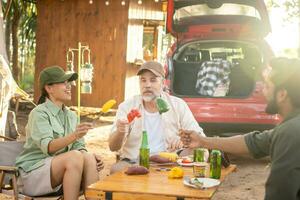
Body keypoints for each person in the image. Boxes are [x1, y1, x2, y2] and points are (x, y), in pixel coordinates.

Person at [180, 57, 300, 200]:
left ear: (282, 95)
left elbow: (280, 194)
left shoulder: (290, 132)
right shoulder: (290, 127)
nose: (262, 90)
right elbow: (252, 143)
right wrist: (202, 141)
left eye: (267, 86)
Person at [15, 66, 104, 199]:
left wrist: (88, 156)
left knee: (88, 157)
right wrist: (74, 135)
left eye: (68, 83)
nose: (68, 86)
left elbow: (78, 147)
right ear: (49, 88)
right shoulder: (39, 113)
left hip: (60, 174)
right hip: (33, 175)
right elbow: (49, 147)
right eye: (63, 82)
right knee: (74, 156)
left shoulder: (71, 115)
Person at [108, 61, 207, 173]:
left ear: (163, 83)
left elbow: (199, 137)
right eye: (143, 80)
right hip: (134, 161)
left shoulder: (178, 104)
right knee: (115, 169)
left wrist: (184, 140)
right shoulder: (127, 106)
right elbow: (113, 147)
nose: (147, 85)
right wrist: (120, 132)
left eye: (153, 80)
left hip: (169, 159)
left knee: (201, 151)